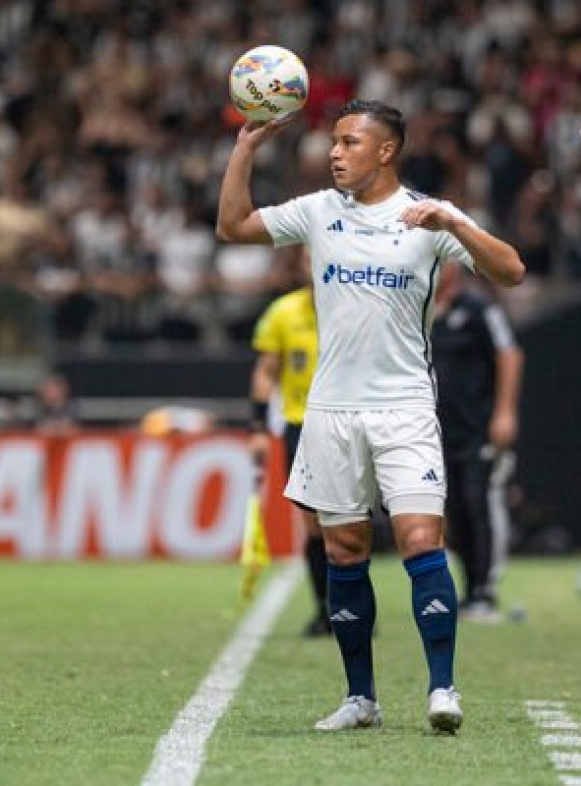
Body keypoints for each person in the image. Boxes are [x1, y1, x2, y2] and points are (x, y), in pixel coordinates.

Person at [217, 99, 524, 735]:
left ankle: (442, 687)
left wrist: (456, 226)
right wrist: (246, 147)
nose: (335, 152)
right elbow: (233, 227)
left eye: (350, 142)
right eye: (334, 141)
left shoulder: (429, 215)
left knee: (419, 540)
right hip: (330, 411)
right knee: (345, 550)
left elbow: (512, 271)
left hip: (405, 407)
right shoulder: (317, 211)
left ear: (385, 151)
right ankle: (361, 699)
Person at [432, 260, 523, 623]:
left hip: (478, 428)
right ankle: (468, 589)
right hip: (438, 431)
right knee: (452, 509)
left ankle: (484, 588)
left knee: (478, 502)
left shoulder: (478, 307)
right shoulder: (422, 309)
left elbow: (510, 353)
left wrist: (504, 411)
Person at [249, 248, 331, 637]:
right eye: (307, 262)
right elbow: (266, 373)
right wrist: (258, 427)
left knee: (350, 523)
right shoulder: (283, 313)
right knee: (313, 522)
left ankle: (354, 608)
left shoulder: (354, 309)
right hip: (300, 425)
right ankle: (325, 608)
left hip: (348, 423)